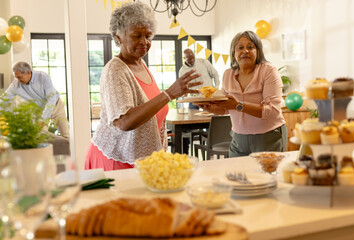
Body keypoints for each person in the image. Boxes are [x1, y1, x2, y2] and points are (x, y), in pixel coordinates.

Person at [84, 2, 201, 171]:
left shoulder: (141, 64)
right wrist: (168, 94)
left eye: (148, 35)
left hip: (139, 161)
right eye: (136, 35)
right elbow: (124, 122)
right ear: (119, 37)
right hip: (114, 160)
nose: (144, 41)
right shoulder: (115, 69)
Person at [197, 31, 287, 157]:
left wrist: (238, 105)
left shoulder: (268, 71)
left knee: (266, 176)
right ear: (234, 53)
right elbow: (225, 108)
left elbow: (272, 111)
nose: (245, 51)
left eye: (250, 47)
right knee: (237, 175)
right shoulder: (228, 74)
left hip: (268, 137)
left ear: (258, 51)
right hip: (238, 139)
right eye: (240, 47)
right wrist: (211, 108)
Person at [3, 61, 70, 140]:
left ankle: (67, 144)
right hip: (40, 109)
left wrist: (43, 119)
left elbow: (51, 99)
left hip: (56, 106)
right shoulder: (16, 84)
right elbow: (4, 99)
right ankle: (57, 143)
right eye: (16, 77)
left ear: (28, 73)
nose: (18, 80)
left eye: (20, 77)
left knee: (66, 135)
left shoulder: (43, 77)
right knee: (39, 134)